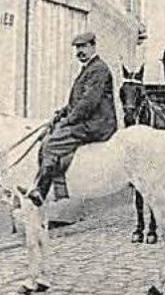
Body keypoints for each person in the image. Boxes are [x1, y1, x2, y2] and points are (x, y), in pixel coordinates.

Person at [30, 31, 118, 206]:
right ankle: (59, 189)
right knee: (49, 134)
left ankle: (41, 189)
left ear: (93, 46)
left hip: (97, 124)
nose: (80, 51)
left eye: (84, 47)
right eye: (78, 48)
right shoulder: (89, 69)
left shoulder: (99, 69)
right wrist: (61, 113)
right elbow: (77, 101)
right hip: (89, 120)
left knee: (53, 143)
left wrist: (68, 120)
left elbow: (88, 102)